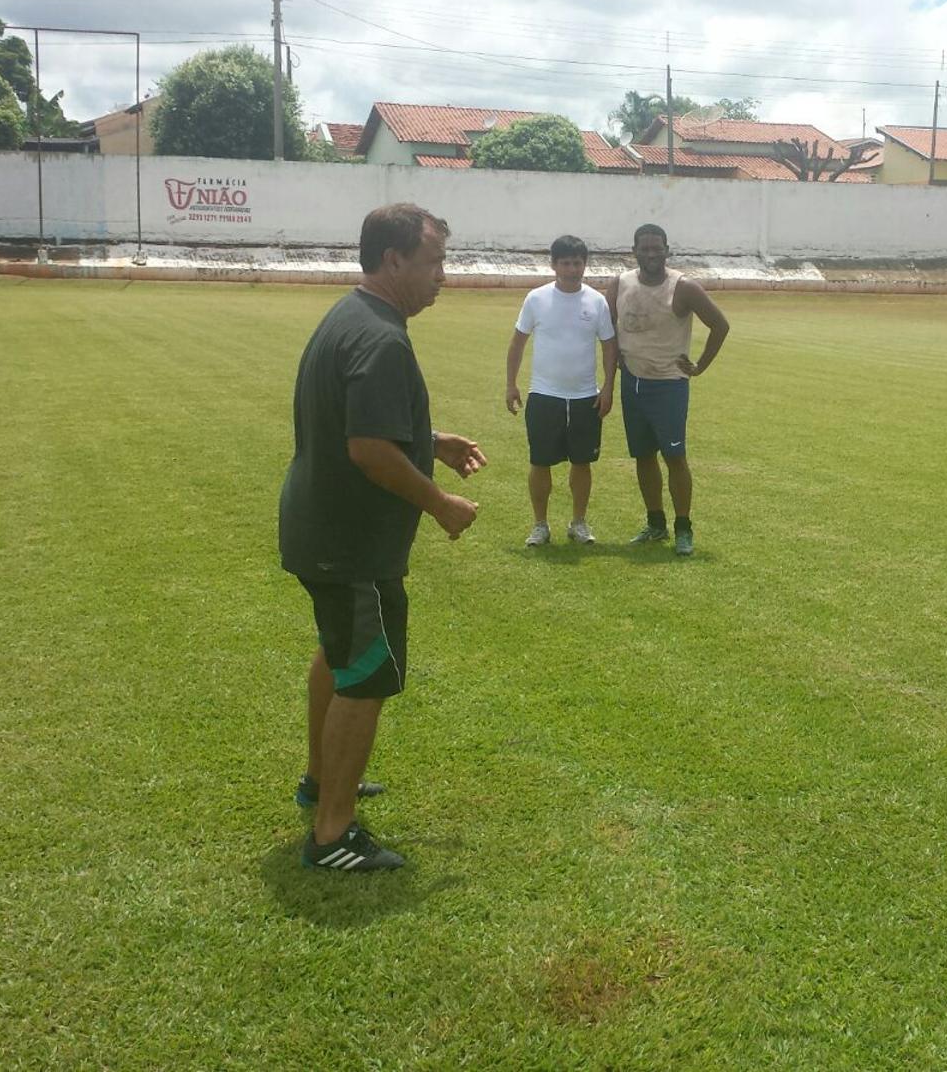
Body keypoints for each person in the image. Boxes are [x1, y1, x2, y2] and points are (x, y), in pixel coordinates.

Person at [279, 203, 486, 872]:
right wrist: (440, 503)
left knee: (338, 654)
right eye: (434, 264)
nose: (442, 278)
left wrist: (431, 441)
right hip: (352, 543)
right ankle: (333, 833)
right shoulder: (382, 338)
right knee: (366, 675)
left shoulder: (354, 315)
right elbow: (369, 448)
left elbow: (358, 421)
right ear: (394, 261)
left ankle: (321, 782)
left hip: (322, 529)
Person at [607, 223, 731, 557]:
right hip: (632, 383)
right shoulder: (620, 284)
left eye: (657, 248)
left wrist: (700, 366)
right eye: (645, 248)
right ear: (634, 251)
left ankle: (683, 528)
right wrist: (615, 363)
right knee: (643, 456)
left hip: (669, 386)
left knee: (674, 456)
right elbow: (610, 331)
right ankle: (656, 524)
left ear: (666, 249)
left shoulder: (683, 287)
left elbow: (720, 325)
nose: (651, 254)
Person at [505, 235, 620, 547]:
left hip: (586, 396)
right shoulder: (536, 299)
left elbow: (609, 346)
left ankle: (578, 523)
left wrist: (608, 387)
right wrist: (510, 384)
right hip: (544, 396)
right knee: (540, 461)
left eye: (577, 262)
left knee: (582, 462)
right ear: (554, 264)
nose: (572, 269)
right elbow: (518, 342)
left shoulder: (595, 301)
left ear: (585, 264)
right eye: (566, 263)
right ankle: (540, 525)